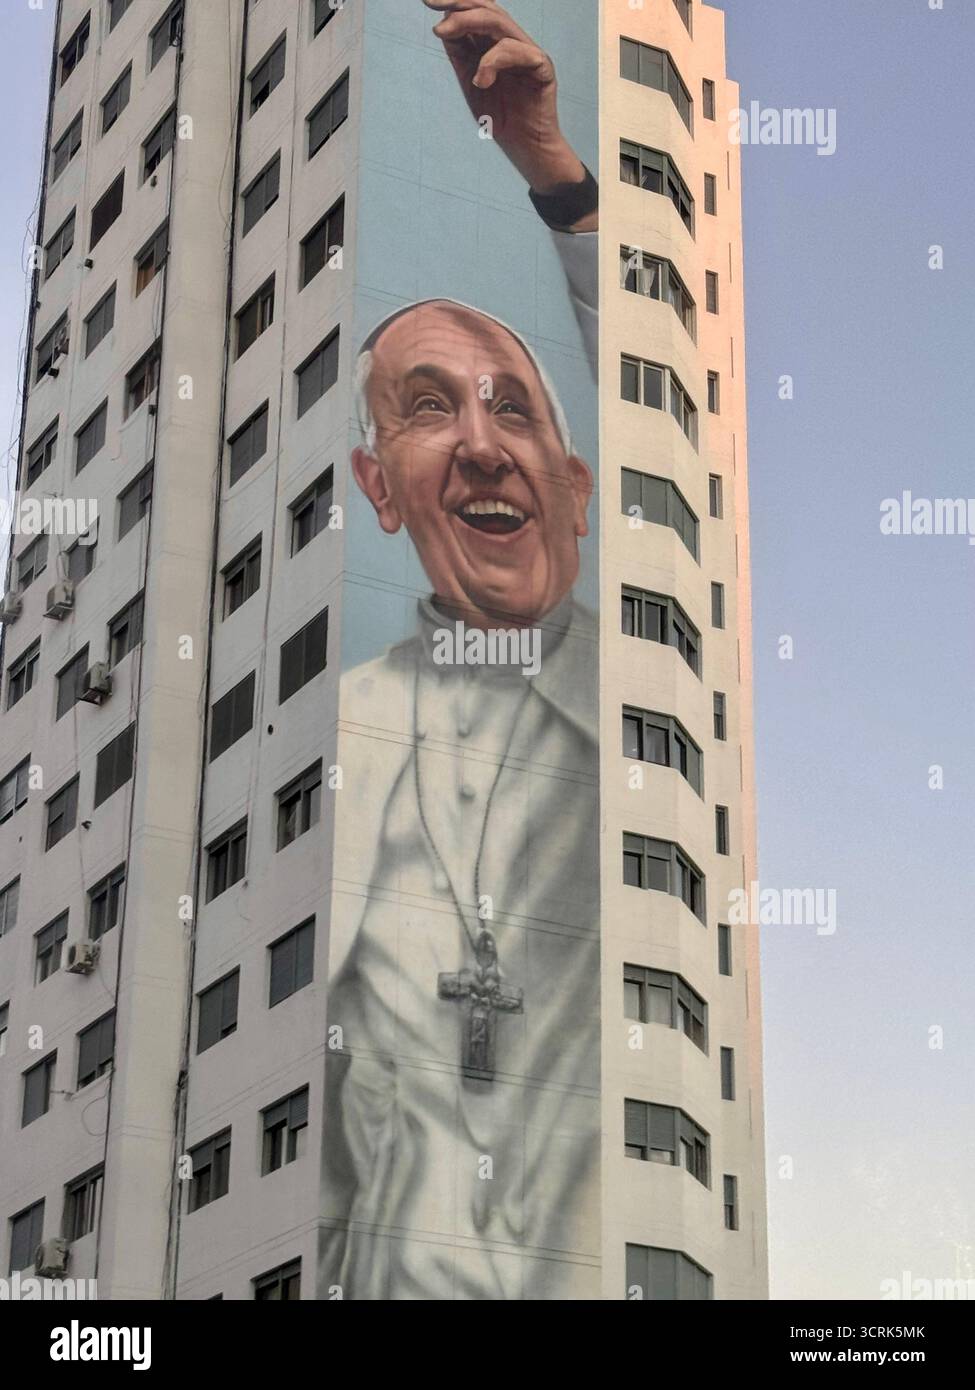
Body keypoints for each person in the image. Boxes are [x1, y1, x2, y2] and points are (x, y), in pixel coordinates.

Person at [318, 0, 601, 1300]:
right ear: (381, 491)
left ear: (579, 485)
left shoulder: (645, 717)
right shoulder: (351, 733)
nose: (484, 447)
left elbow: (661, 387)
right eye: (431, 411)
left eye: (513, 411)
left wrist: (554, 174)